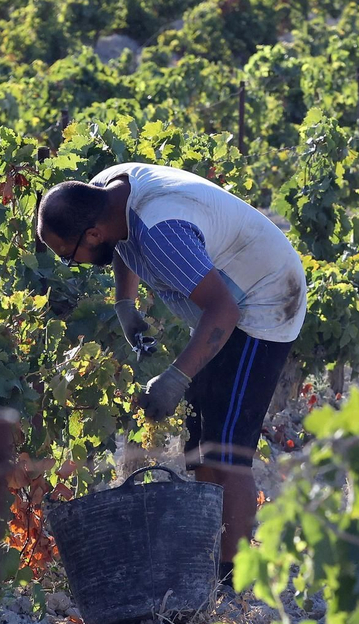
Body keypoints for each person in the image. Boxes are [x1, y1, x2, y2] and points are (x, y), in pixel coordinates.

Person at [35, 163, 307, 580]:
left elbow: (225, 310)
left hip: (265, 302)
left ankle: (232, 580)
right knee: (201, 446)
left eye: (70, 255)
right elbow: (119, 241)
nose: (75, 263)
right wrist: (125, 304)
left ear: (91, 235)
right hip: (228, 301)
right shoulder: (111, 192)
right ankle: (207, 561)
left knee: (228, 451)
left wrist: (177, 377)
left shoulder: (162, 232)